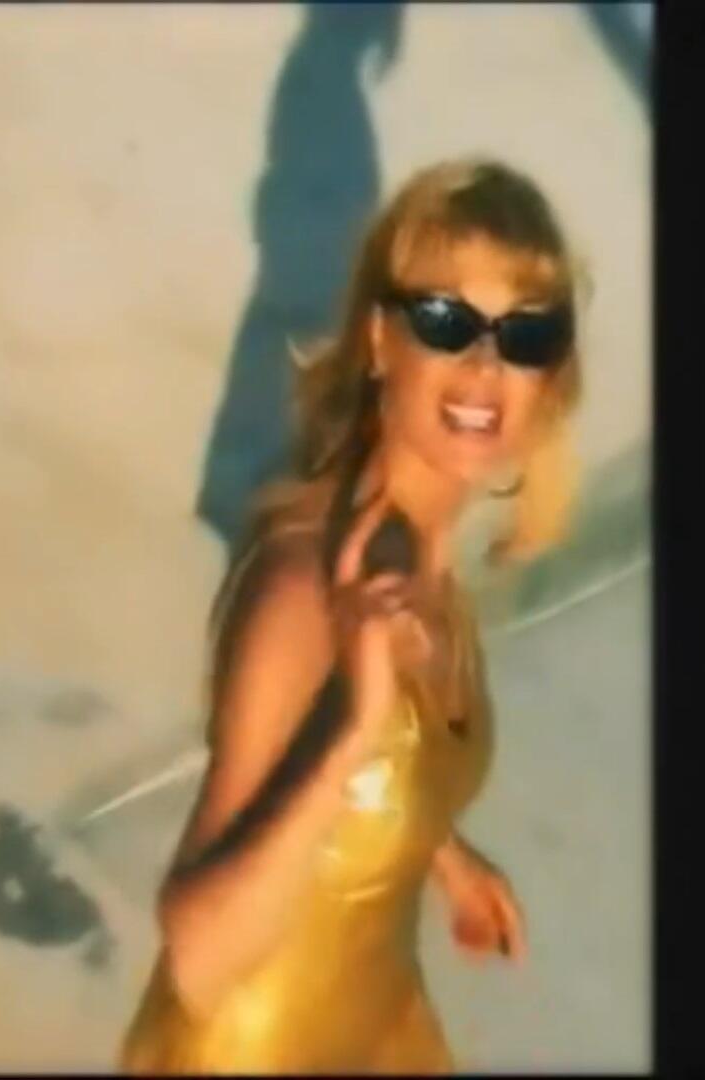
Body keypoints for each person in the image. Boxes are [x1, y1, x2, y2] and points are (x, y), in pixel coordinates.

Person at [120, 158, 585, 1074]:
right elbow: (201, 955)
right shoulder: (302, 597)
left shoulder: (425, 555)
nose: (486, 367)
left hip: (383, 1027)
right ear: (379, 341)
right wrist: (352, 733)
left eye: (525, 335)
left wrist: (439, 854)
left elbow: (384, 787)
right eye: (446, 322)